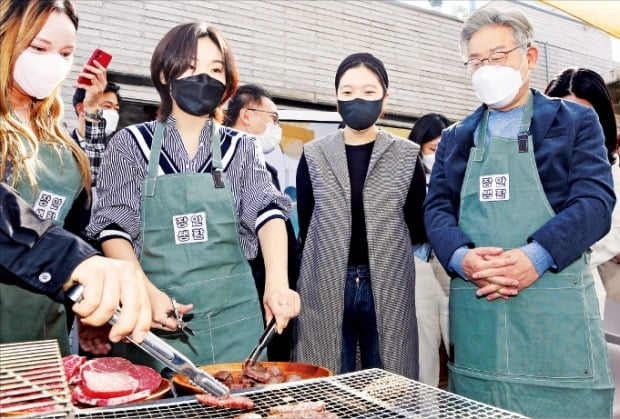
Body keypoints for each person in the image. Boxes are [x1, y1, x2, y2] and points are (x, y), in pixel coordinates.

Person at [424, 7, 615, 418]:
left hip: (553, 310)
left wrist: (536, 256)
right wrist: (462, 258)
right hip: (480, 313)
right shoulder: (457, 138)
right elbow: (437, 209)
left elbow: (595, 203)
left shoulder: (576, 122)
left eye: (498, 56)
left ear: (529, 57)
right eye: (476, 61)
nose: (486, 68)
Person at [87, 22, 300, 368]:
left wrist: (277, 283)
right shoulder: (130, 144)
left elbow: (267, 212)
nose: (203, 77)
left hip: (236, 319)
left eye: (215, 69)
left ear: (227, 81)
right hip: (153, 317)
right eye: (190, 66)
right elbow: (113, 229)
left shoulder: (241, 146)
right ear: (164, 73)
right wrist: (144, 292)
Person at [0, 0, 156, 352]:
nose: (53, 62)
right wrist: (72, 259)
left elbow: (73, 226)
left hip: (45, 329)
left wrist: (86, 308)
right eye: (39, 47)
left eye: (66, 52)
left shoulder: (58, 136)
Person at [294, 52, 427, 379]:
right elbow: (308, 221)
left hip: (389, 279)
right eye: (348, 91)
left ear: (385, 98)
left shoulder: (406, 155)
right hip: (324, 281)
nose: (358, 100)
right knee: (327, 375)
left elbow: (416, 225)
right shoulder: (314, 154)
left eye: (369, 92)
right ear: (336, 98)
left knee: (389, 377)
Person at [224, 83, 300, 361]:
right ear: (247, 114)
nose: (276, 127)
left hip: (271, 288)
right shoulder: (220, 164)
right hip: (246, 288)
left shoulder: (263, 167)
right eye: (273, 118)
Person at [545, 68, 620, 310]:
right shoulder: (525, 162)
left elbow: (612, 233)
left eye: (586, 116)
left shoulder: (613, 171)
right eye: (562, 115)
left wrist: (541, 255)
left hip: (579, 292)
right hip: (523, 296)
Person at [408, 113, 451, 387]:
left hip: (454, 267)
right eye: (434, 149)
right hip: (419, 264)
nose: (439, 155)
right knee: (424, 353)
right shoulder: (406, 175)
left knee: (462, 347)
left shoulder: (462, 175)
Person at [71, 81, 122, 186]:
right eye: (107, 106)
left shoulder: (118, 154)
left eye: (116, 109)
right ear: (81, 109)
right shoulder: (61, 147)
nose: (113, 113)